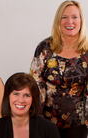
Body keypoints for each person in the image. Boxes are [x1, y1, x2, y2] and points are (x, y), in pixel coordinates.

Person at [29, 1, 88, 138]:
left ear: (81, 20)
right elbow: (35, 83)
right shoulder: (44, 48)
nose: (70, 22)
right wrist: (34, 116)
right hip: (46, 120)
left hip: (78, 123)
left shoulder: (86, 52)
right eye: (64, 17)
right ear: (58, 20)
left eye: (74, 17)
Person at [0, 72, 60, 138]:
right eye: (16, 94)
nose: (21, 100)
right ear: (8, 97)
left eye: (27, 95)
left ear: (33, 99)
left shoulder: (49, 129)